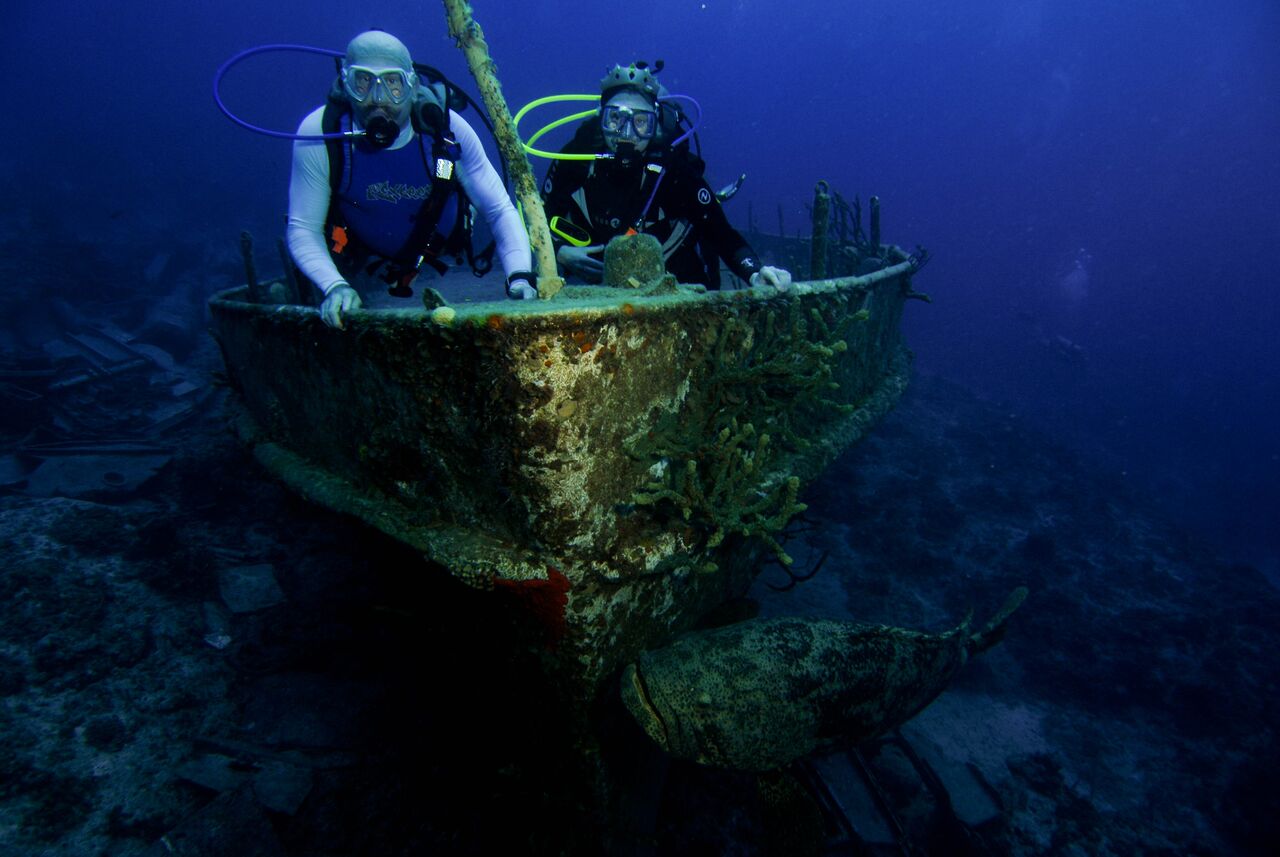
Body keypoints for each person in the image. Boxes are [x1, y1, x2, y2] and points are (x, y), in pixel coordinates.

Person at [287, 30, 536, 329]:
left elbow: (498, 209)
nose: (378, 99)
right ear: (344, 83)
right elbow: (304, 227)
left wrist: (519, 277)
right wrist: (334, 286)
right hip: (366, 257)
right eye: (363, 82)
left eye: (393, 83)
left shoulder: (446, 129)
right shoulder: (320, 134)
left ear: (413, 85)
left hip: (445, 248)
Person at [540, 62, 791, 291]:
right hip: (599, 279)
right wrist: (559, 251)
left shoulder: (674, 170)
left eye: (641, 122)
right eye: (615, 118)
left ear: (656, 125)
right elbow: (540, 216)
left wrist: (754, 273)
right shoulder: (576, 158)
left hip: (677, 277)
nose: (627, 133)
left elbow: (721, 233)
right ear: (601, 118)